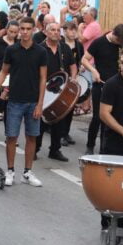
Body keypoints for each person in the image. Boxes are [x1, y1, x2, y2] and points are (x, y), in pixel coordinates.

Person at [0, 16, 47, 187]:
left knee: (31, 137)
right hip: (15, 101)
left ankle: (27, 172)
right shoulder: (12, 50)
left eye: (27, 29)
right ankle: (10, 171)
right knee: (11, 136)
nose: (24, 32)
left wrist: (40, 104)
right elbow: (4, 71)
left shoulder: (41, 52)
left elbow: (42, 79)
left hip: (33, 101)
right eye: (22, 29)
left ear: (33, 30)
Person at [81, 24, 123, 154]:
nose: (119, 44)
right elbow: (84, 59)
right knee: (98, 116)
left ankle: (104, 148)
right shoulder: (99, 42)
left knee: (111, 118)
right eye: (118, 41)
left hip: (116, 85)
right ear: (113, 33)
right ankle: (90, 145)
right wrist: (93, 70)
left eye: (121, 42)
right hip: (100, 83)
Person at [36, 21, 77, 162]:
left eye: (58, 30)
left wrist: (73, 78)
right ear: (46, 32)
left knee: (59, 121)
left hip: (60, 90)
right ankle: (35, 148)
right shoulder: (39, 49)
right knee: (40, 121)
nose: (55, 32)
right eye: (52, 30)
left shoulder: (65, 48)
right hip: (43, 89)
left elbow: (73, 66)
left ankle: (55, 150)